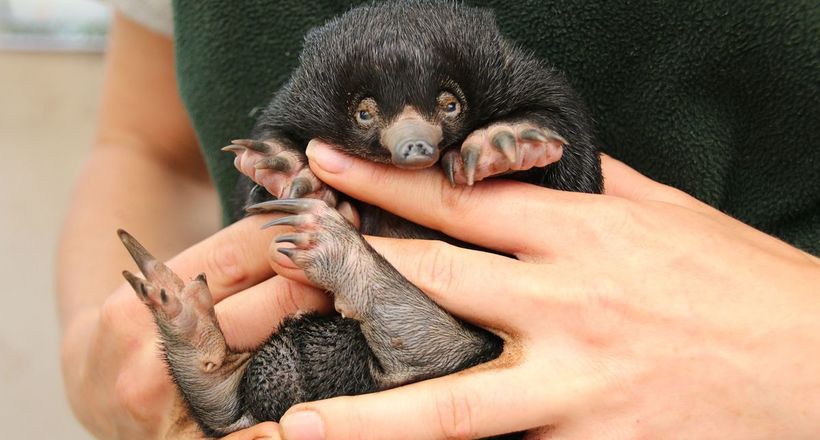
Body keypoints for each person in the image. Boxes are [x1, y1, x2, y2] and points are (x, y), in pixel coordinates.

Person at [58, 2, 820, 439]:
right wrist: (105, 355)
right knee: (275, 376)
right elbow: (145, 146)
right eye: (369, 116)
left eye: (446, 109)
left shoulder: (510, 81)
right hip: (310, 381)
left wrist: (797, 349)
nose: (413, 142)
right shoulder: (312, 92)